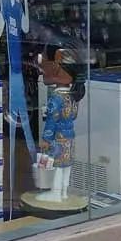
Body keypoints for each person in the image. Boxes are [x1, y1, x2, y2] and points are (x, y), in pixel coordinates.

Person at [0, 0, 36, 205]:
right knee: (17, 128)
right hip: (13, 71)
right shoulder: (6, 4)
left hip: (18, 70)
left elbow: (26, 26)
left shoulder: (18, 4)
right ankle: (15, 178)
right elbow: (0, 28)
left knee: (22, 127)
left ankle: (31, 171)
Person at [35, 44, 85, 202]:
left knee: (56, 166)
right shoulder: (72, 97)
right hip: (70, 137)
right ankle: (63, 192)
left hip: (57, 138)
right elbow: (74, 115)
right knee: (66, 166)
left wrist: (46, 139)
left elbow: (51, 122)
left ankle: (55, 193)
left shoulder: (56, 98)